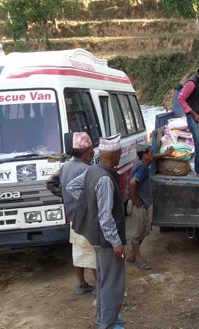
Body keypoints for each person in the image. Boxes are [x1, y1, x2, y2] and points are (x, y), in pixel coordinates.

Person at [68, 134, 127, 329]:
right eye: (119, 153)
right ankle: (108, 324)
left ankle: (105, 317)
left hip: (95, 236)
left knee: (103, 279)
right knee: (112, 282)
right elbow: (105, 216)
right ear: (115, 154)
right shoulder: (105, 180)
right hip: (107, 240)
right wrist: (116, 242)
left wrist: (89, 202)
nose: (120, 156)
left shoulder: (93, 169)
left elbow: (72, 187)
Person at [45, 132, 97, 295]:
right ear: (84, 151)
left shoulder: (65, 167)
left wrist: (65, 195)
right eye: (91, 149)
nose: (93, 152)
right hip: (86, 218)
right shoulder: (89, 170)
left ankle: (81, 284)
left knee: (78, 251)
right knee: (94, 253)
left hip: (73, 216)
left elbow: (49, 183)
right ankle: (100, 286)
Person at [126, 143, 174, 270]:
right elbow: (132, 183)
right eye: (151, 153)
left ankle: (132, 254)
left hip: (142, 203)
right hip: (139, 206)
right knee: (138, 233)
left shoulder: (140, 161)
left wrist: (165, 154)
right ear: (145, 155)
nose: (153, 155)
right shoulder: (142, 168)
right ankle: (137, 259)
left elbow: (153, 157)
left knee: (144, 231)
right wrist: (135, 199)